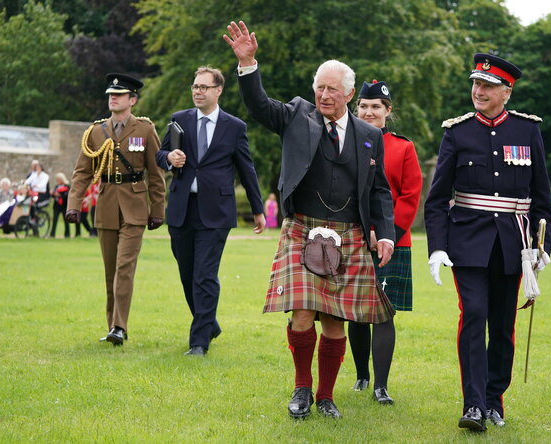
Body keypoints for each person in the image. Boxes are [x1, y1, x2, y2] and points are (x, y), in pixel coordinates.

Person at [224, 20, 395, 419]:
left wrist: (383, 233)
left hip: (349, 233)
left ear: (349, 94)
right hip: (302, 227)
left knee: (335, 321)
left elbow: (380, 190)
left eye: (332, 89)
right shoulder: (297, 115)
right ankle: (302, 388)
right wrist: (248, 64)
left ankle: (326, 395)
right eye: (320, 86)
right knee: (302, 313)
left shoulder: (370, 135)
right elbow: (259, 106)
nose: (324, 94)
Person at [424, 53, 551, 432]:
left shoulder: (528, 131)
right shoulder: (457, 131)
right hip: (467, 241)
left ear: (506, 92)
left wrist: (544, 247)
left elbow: (541, 198)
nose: (478, 91)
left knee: (502, 323)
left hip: (513, 243)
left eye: (487, 86)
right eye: (475, 84)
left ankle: (495, 400)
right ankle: (474, 405)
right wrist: (437, 247)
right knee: (474, 314)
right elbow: (436, 200)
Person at [156, 65, 266, 356]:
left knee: (205, 274)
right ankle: (209, 323)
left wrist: (258, 208)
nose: (197, 91)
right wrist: (169, 157)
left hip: (216, 211)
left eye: (204, 87)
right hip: (182, 209)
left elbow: (247, 169)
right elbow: (158, 154)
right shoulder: (179, 120)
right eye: (195, 86)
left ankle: (199, 342)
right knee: (187, 274)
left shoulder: (235, 127)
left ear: (218, 90)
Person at [66, 73, 166, 345]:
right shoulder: (95, 132)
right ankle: (113, 325)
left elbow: (156, 174)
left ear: (132, 100)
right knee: (110, 270)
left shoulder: (145, 130)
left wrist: (158, 209)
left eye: (119, 94)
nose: (113, 98)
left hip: (134, 207)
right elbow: (81, 173)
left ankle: (119, 327)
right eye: (111, 94)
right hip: (107, 205)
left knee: (124, 266)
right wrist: (74, 204)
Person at [348, 80, 422, 405]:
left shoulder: (403, 148)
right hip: (351, 238)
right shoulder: (343, 142)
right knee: (354, 311)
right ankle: (361, 376)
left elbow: (409, 197)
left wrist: (385, 233)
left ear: (387, 111)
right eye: (364, 105)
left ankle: (381, 385)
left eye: (376, 106)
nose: (369, 111)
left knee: (384, 312)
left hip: (392, 243)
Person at [50, 173, 71, 238]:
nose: (58, 181)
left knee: (66, 220)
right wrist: (52, 194)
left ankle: (67, 234)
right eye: (57, 179)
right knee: (55, 220)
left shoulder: (67, 186)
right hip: (56, 206)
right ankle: (52, 234)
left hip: (64, 205)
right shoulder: (56, 186)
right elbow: (54, 195)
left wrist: (59, 195)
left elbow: (67, 195)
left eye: (59, 179)